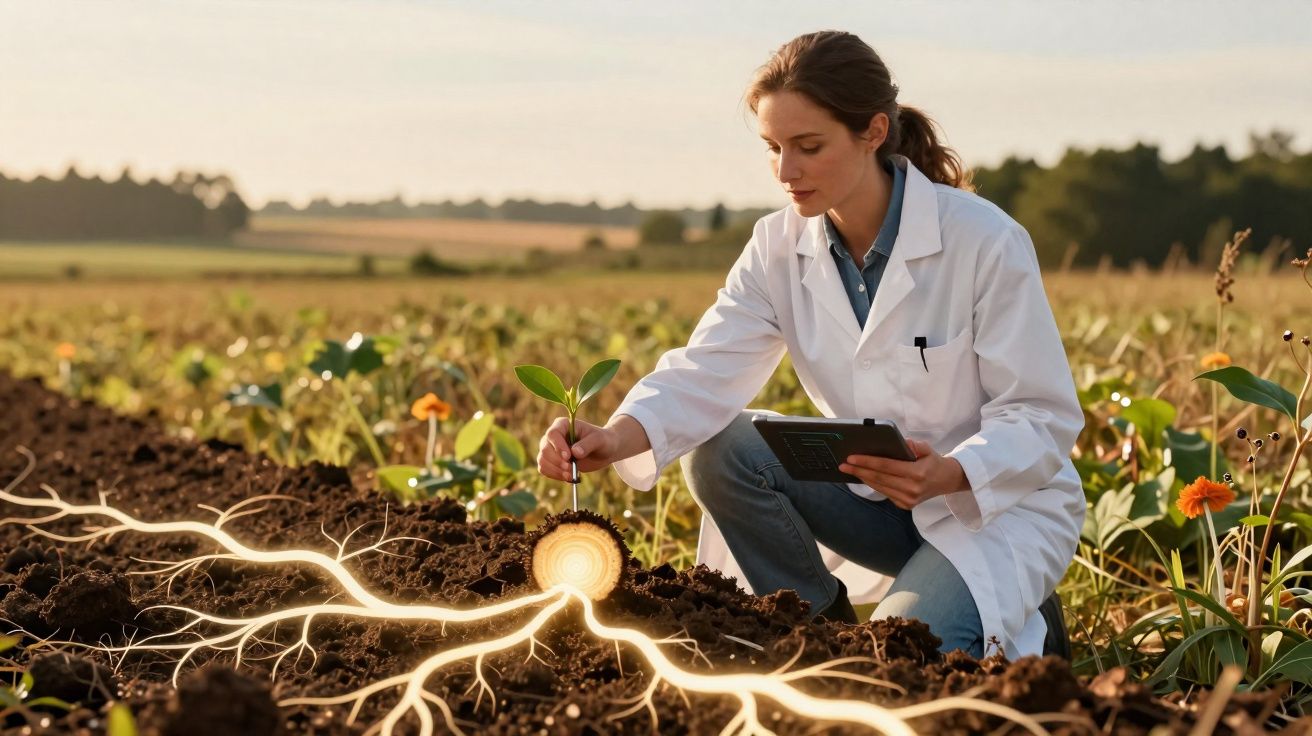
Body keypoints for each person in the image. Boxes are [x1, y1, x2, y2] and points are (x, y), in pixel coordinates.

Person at [536, 30, 1082, 660]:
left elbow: (1043, 415)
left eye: (809, 146)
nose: (786, 172)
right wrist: (617, 434)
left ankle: (1017, 606)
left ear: (874, 132)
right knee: (722, 450)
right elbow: (706, 368)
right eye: (773, 148)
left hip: (994, 506)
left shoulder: (984, 241)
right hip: (877, 501)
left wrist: (951, 472)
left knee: (903, 655)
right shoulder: (776, 247)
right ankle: (816, 637)